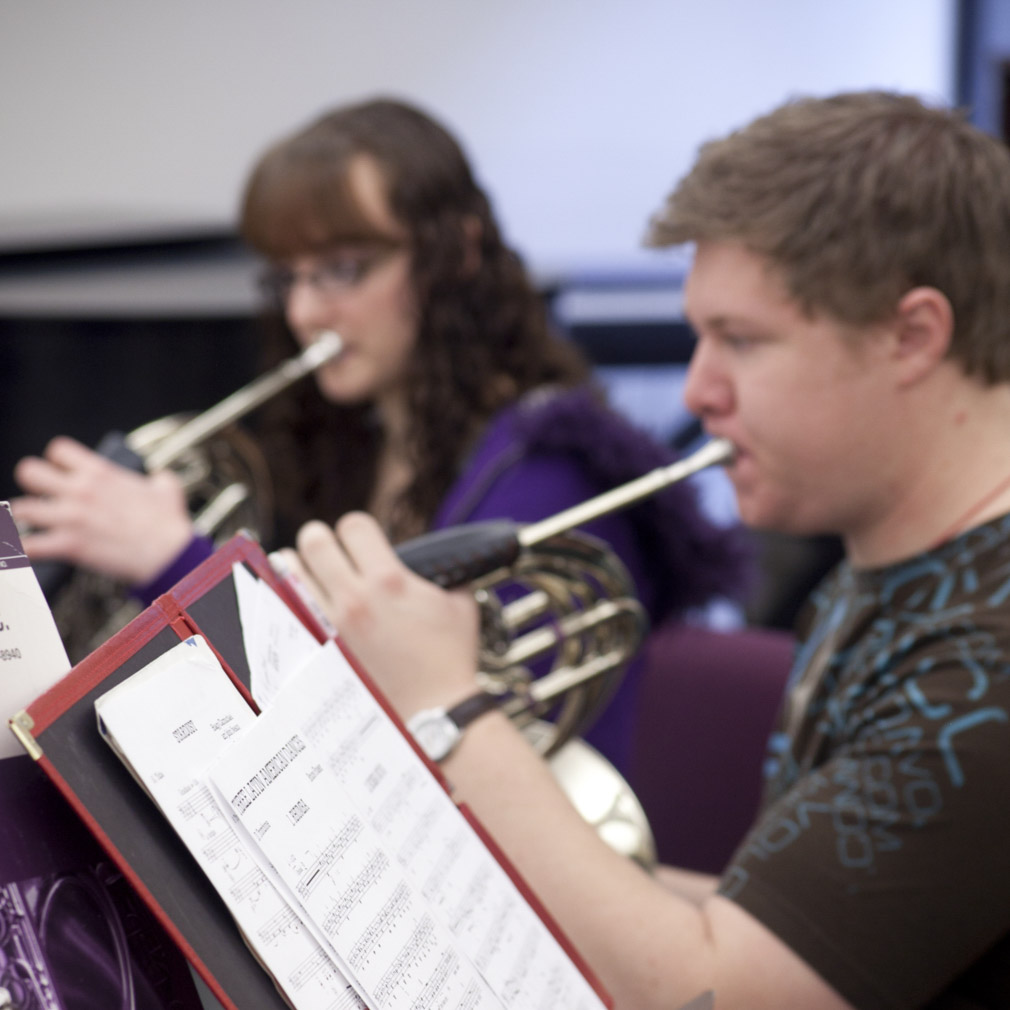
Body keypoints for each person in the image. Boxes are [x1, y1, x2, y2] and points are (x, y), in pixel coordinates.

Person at [285, 91, 1010, 1009]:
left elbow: (723, 995)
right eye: (699, 336)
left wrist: (448, 708)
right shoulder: (886, 567)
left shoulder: (986, 660)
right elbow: (806, 932)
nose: (700, 390)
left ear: (913, 336)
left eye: (741, 342)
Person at [10, 97, 748, 773]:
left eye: (341, 270)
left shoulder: (554, 470)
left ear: (455, 252)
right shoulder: (362, 449)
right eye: (290, 278)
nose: (305, 312)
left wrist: (173, 561)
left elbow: (388, 741)